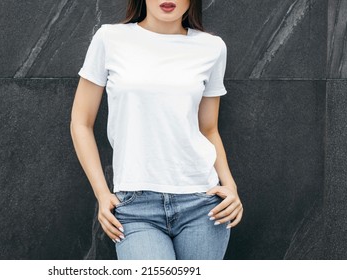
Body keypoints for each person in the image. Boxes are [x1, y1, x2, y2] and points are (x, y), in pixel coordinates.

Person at [70, 0, 243, 260]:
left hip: (202, 204)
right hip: (135, 205)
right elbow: (81, 122)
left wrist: (230, 186)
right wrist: (102, 194)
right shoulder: (110, 39)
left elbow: (208, 129)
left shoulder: (212, 48)